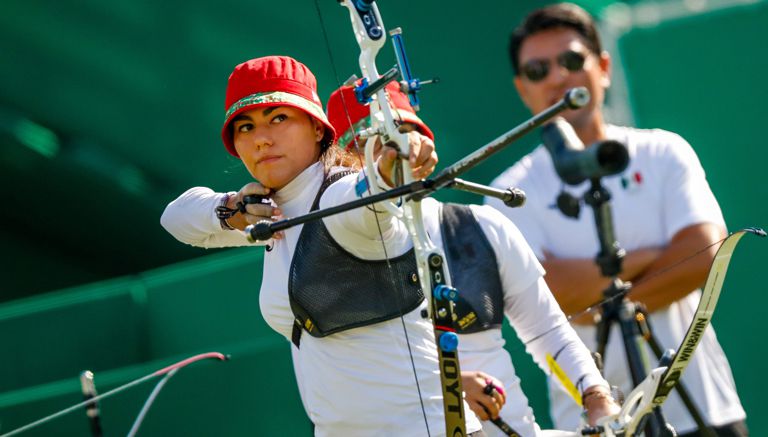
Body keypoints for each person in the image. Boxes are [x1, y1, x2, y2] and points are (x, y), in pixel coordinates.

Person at [161, 55, 491, 437]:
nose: (262, 138)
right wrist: (234, 210)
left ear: (318, 129)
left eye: (279, 118)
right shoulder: (269, 208)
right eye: (246, 126)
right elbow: (175, 218)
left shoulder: (339, 195)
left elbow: (370, 196)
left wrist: (393, 166)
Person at [486, 4, 748, 436]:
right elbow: (552, 297)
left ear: (603, 67)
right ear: (522, 89)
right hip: (595, 425)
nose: (557, 78)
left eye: (572, 61)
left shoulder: (664, 152)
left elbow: (704, 255)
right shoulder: (508, 194)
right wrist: (654, 257)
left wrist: (604, 304)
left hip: (704, 408)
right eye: (538, 70)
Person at [326, 80, 619, 436]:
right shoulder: (327, 257)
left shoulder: (481, 226)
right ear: (341, 163)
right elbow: (341, 377)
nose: (392, 153)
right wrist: (448, 384)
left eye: (401, 134)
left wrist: (595, 396)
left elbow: (547, 333)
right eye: (365, 143)